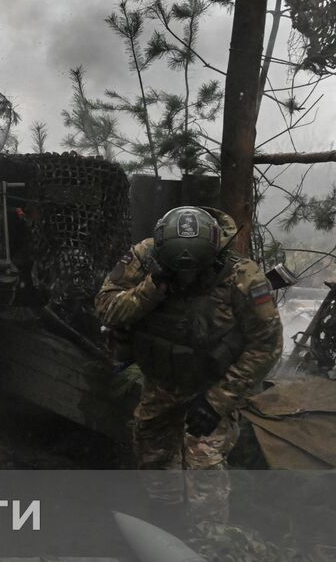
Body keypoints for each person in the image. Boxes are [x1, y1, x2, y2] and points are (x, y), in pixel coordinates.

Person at [95, 205, 282, 523]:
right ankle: (166, 522)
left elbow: (267, 344)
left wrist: (218, 401)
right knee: (153, 456)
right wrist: (152, 287)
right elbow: (106, 308)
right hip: (161, 382)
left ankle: (209, 542)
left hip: (214, 383)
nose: (187, 279)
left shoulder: (243, 276)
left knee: (203, 466)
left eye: (194, 271)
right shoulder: (145, 257)